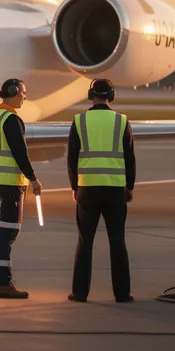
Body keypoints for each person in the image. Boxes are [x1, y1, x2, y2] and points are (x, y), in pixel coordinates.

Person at [67, 78, 135, 303]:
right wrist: (130, 186)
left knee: (85, 242)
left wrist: (75, 187)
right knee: (118, 242)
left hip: (87, 189)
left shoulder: (79, 121)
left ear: (90, 95)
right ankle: (122, 294)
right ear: (112, 95)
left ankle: (80, 293)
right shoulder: (122, 121)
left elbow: (72, 158)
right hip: (115, 189)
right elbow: (129, 158)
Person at [0, 78, 43, 299]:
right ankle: (3, 283)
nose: (24, 97)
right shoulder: (11, 120)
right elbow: (20, 153)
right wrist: (33, 179)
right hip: (9, 184)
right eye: (23, 93)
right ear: (15, 92)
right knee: (8, 233)